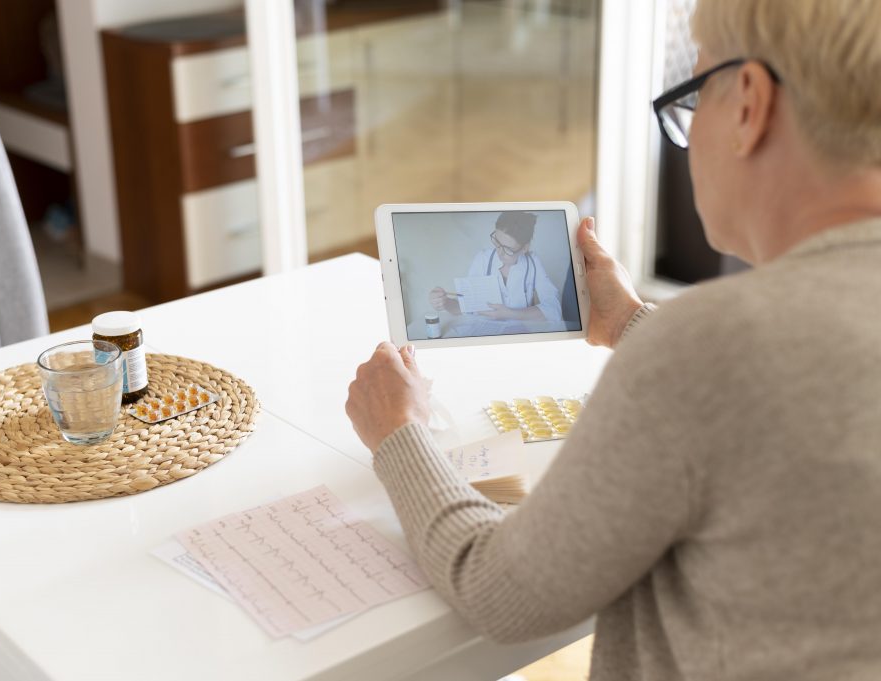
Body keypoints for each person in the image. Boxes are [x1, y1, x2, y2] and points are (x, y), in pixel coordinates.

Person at [345, 1, 881, 678]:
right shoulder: (728, 349)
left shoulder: (712, 344)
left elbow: (499, 593)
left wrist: (399, 434)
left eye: (692, 95)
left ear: (748, 102)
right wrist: (630, 322)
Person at [429, 211, 563, 324]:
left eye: (508, 249)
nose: (499, 252)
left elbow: (553, 309)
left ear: (524, 248)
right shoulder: (483, 259)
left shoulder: (533, 262)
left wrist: (511, 314)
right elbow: (465, 306)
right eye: (497, 242)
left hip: (518, 338)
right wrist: (445, 303)